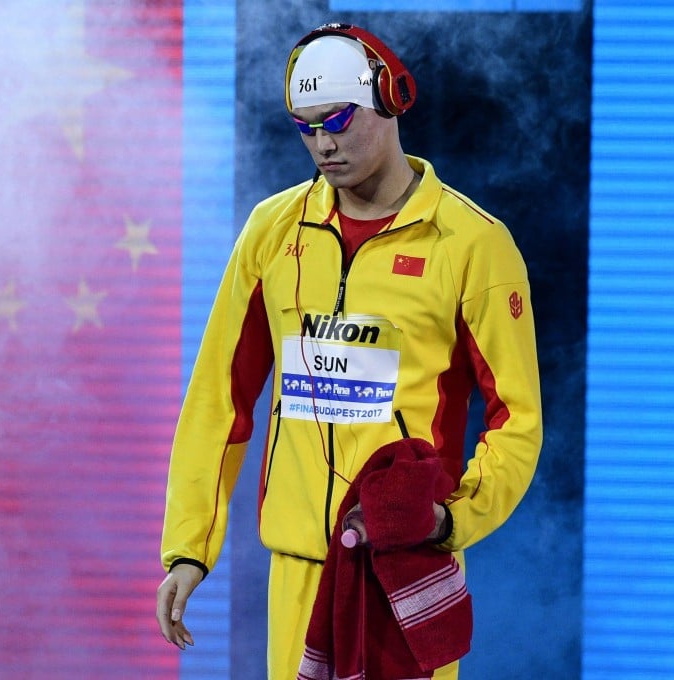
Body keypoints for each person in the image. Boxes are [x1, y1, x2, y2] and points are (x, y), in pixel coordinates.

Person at [156, 22, 542, 680]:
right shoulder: (271, 230)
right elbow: (220, 398)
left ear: (391, 99)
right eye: (305, 127)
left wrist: (448, 523)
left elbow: (518, 422)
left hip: (404, 568)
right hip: (298, 568)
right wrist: (189, 548)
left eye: (337, 119)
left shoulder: (474, 243)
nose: (323, 145)